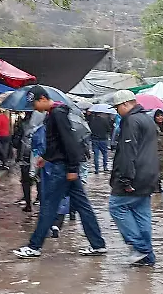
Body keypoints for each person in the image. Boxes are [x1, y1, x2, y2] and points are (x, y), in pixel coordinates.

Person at [13, 85, 106, 259]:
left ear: (42, 99)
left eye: (34, 104)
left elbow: (68, 141)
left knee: (49, 206)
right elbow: (57, 143)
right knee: (83, 206)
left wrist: (72, 168)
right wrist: (46, 157)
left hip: (62, 169)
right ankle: (98, 244)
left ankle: (34, 246)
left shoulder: (57, 114)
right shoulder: (54, 114)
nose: (34, 108)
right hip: (63, 166)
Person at [108, 91, 160, 266]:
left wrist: (125, 179)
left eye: (117, 108)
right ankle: (148, 258)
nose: (117, 112)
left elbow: (128, 153)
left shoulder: (130, 121)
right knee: (141, 213)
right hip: (149, 175)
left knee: (116, 207)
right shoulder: (148, 119)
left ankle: (141, 248)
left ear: (124, 105)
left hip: (135, 175)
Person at [86, 108, 114, 173]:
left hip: (94, 139)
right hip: (103, 139)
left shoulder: (92, 121)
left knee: (96, 155)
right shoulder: (105, 120)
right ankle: (105, 167)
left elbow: (90, 130)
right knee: (105, 153)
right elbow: (109, 129)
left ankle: (96, 169)